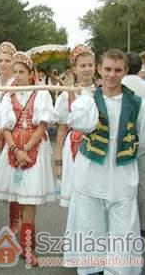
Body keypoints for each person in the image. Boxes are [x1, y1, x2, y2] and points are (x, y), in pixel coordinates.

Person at [64, 49, 145, 275]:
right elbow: (80, 124)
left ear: (125, 71)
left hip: (122, 178)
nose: (112, 75)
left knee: (122, 231)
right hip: (91, 175)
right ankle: (91, 268)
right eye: (107, 69)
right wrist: (84, 97)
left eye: (117, 70)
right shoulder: (88, 99)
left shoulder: (138, 104)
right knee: (90, 227)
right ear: (99, 69)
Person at [0, 51, 56, 266]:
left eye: (22, 72)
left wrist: (27, 148)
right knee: (20, 196)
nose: (17, 75)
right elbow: (4, 126)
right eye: (15, 71)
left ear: (31, 73)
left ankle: (27, 247)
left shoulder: (41, 93)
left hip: (34, 148)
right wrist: (15, 149)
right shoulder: (8, 95)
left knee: (29, 198)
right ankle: (27, 237)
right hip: (14, 149)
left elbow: (43, 124)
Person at [54, 45, 96, 207]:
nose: (87, 69)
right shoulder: (68, 94)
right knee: (76, 200)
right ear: (74, 69)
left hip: (99, 146)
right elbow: (62, 129)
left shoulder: (101, 91)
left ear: (95, 66)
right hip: (74, 146)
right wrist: (58, 162)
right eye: (82, 65)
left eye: (90, 65)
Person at [0, 41, 21, 233]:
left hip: (11, 136)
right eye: (0, 60)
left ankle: (15, 220)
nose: (4, 64)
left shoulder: (19, 84)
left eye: (8, 60)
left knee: (12, 180)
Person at [122, 52, 145, 237]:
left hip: (122, 139)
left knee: (122, 179)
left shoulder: (119, 85)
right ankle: (141, 223)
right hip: (144, 136)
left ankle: (124, 220)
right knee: (143, 182)